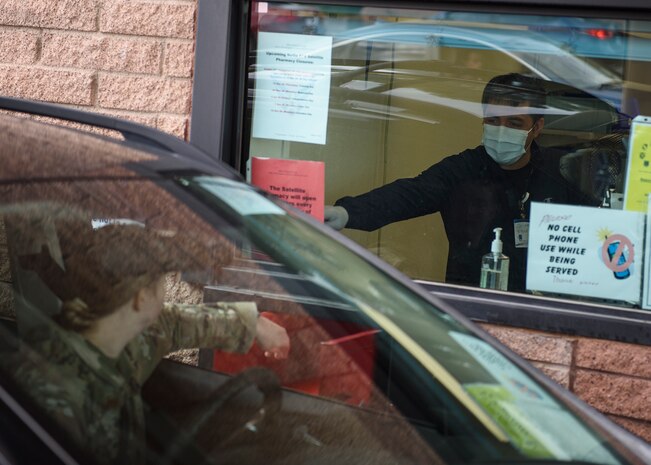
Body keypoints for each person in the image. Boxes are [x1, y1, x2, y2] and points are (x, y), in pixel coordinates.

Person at [7, 222, 290, 464]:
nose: (165, 293)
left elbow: (175, 323)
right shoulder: (55, 395)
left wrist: (255, 323)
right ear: (141, 299)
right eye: (161, 283)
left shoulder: (121, 337)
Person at [325, 73, 595, 291]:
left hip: (545, 305)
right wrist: (346, 213)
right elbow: (409, 194)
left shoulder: (561, 172)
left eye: (515, 123)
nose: (502, 130)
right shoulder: (463, 169)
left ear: (537, 128)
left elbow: (593, 236)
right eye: (493, 120)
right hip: (468, 301)